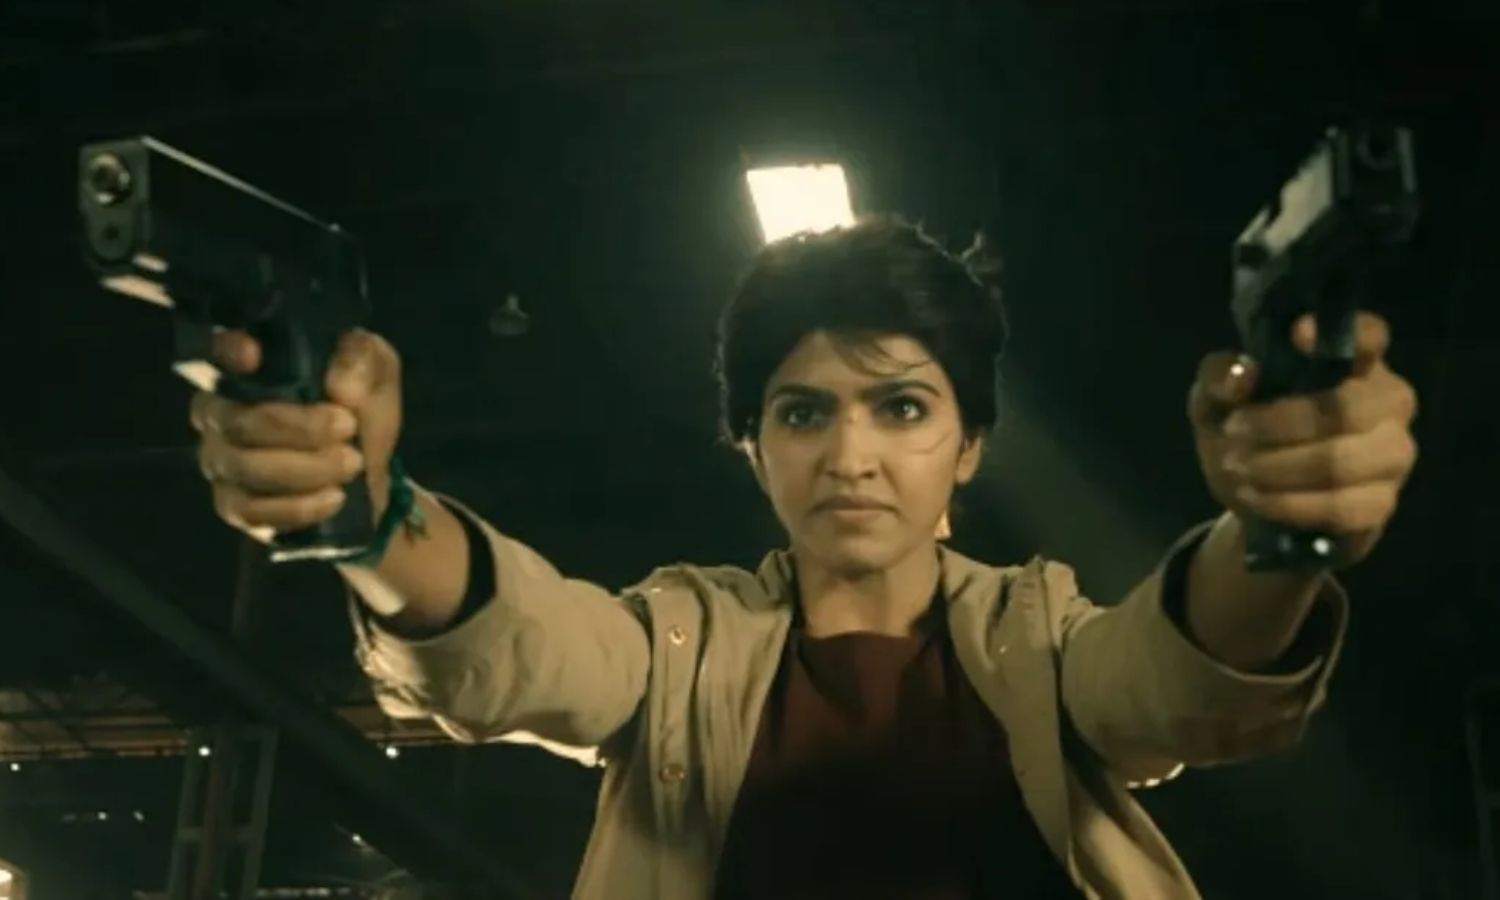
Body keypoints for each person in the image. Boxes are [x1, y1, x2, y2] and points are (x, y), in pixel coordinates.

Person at [189, 217, 1419, 899]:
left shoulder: (1039, 639)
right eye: (802, 411)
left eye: (902, 408)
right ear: (754, 447)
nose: (849, 455)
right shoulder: (684, 642)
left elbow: (1177, 680)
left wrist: (1280, 530)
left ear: (969, 448)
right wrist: (369, 517)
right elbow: (526, 646)